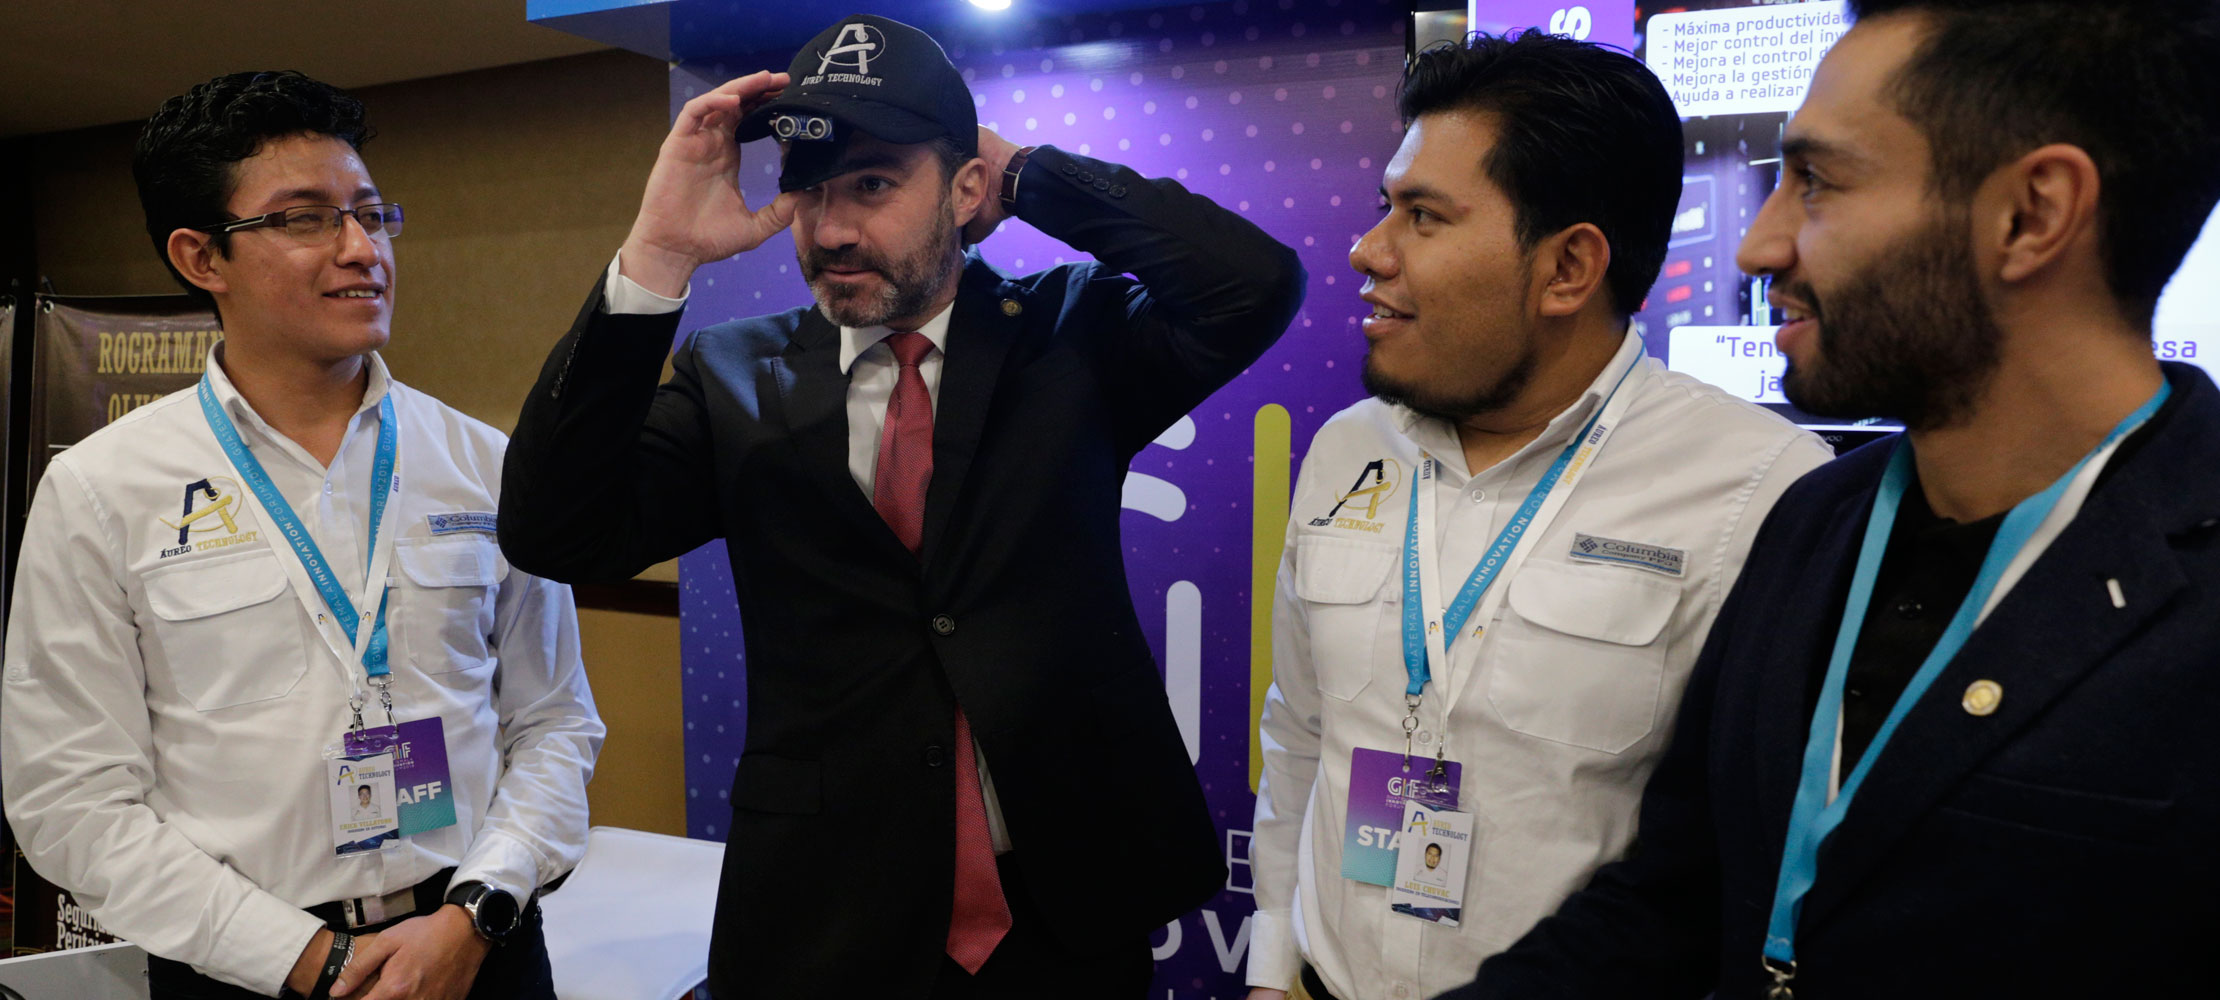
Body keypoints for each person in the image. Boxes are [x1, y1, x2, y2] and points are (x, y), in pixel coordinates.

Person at [495, 13, 1304, 999]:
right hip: (826, 918)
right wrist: (656, 254)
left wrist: (1027, 176)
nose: (832, 229)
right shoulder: (732, 376)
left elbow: (1251, 285)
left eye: (872, 185)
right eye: (810, 190)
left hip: (1064, 909)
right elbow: (554, 530)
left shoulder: (1071, 338)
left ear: (963, 190)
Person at [1458, 1, 2220, 996]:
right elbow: (1675, 902)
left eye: (1816, 182)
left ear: (2032, 215)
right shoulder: (1815, 521)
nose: (1756, 247)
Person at [1245, 32, 1832, 1000]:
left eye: (1423, 216)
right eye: (1387, 206)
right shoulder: (1351, 448)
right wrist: (1274, 965)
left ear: (1568, 268)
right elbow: (1301, 731)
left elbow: (1740, 852)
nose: (1368, 250)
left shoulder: (1762, 491)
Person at [1, 71, 603, 1000]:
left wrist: (476, 913)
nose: (362, 249)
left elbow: (554, 721)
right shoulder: (102, 489)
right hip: (247, 971)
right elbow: (70, 798)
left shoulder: (485, 464)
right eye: (306, 219)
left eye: (370, 213)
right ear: (202, 258)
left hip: (481, 949)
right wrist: (311, 960)